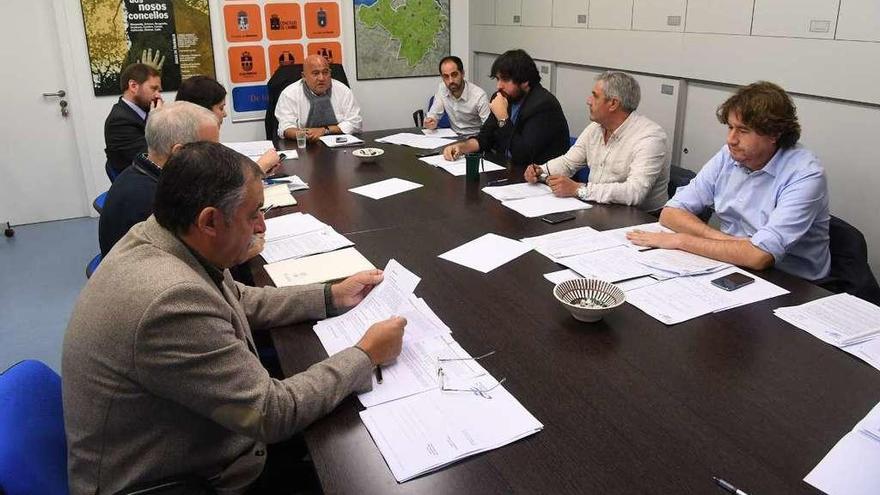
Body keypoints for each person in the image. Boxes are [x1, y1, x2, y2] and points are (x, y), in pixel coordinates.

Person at [64, 141, 406, 494]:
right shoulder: (170, 301)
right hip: (174, 480)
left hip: (183, 440)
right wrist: (366, 354)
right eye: (253, 214)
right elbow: (271, 414)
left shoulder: (164, 234)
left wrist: (330, 295)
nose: (261, 226)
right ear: (210, 220)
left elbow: (237, 298)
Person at [627, 81, 830, 281]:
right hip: (732, 264)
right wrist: (733, 244)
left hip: (791, 282)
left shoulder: (805, 174)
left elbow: (759, 256)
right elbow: (670, 214)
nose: (731, 139)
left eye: (743, 131)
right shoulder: (729, 155)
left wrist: (681, 240)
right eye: (730, 128)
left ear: (774, 134)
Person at [524, 71, 670, 212]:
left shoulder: (650, 138)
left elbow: (634, 192)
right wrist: (541, 170)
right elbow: (568, 163)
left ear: (613, 104)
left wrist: (579, 189)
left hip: (640, 220)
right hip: (598, 208)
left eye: (595, 96)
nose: (588, 101)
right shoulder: (595, 128)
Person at [98, 101, 220, 257]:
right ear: (179, 153)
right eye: (212, 150)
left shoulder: (140, 170)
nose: (217, 158)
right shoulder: (158, 203)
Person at [442, 49, 569, 168]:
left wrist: (503, 118)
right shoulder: (503, 98)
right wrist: (461, 147)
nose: (498, 86)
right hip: (508, 170)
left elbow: (523, 156)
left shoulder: (544, 105)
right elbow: (484, 139)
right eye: (498, 79)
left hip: (543, 181)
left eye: (505, 79)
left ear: (525, 81)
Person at [176, 75, 281, 174]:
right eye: (221, 108)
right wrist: (259, 168)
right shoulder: (189, 152)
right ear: (202, 111)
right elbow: (220, 187)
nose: (225, 114)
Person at [275, 54, 362, 142]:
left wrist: (324, 130)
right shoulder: (289, 94)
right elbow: (285, 128)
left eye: (325, 72)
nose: (321, 78)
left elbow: (355, 123)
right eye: (315, 73)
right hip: (305, 145)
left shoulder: (343, 90)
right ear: (304, 76)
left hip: (339, 144)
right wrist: (306, 135)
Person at [103, 63, 163, 175]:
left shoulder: (146, 111)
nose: (158, 96)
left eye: (159, 91)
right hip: (142, 182)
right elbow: (152, 159)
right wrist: (157, 120)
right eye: (153, 89)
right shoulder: (119, 121)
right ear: (133, 86)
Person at [424, 55, 489, 135]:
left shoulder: (479, 96)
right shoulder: (442, 88)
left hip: (474, 138)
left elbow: (488, 127)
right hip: (453, 137)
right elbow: (434, 114)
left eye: (454, 75)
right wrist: (430, 121)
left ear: (462, 73)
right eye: (446, 77)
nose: (451, 81)